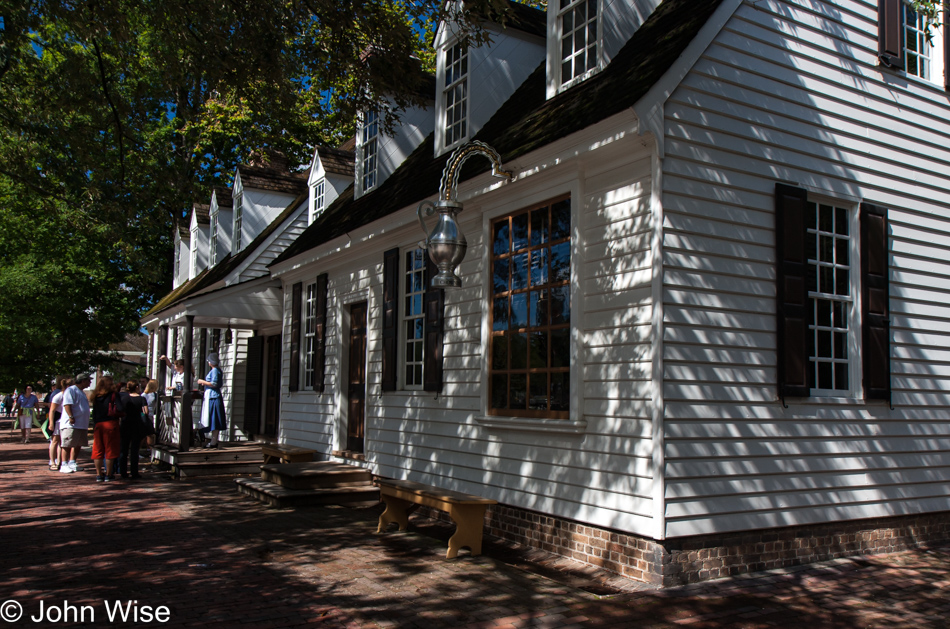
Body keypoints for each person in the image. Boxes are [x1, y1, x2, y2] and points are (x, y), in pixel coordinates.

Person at [89, 376, 122, 482]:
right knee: (110, 449)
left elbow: (94, 412)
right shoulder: (113, 394)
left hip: (99, 424)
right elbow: (120, 408)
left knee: (98, 449)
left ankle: (99, 474)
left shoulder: (95, 396)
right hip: (110, 423)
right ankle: (108, 474)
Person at [60, 373, 92, 474]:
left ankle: (72, 462)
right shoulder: (71, 390)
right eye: (88, 380)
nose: (90, 382)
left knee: (78, 444)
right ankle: (64, 464)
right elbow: (67, 404)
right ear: (82, 381)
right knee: (67, 444)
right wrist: (71, 416)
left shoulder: (81, 392)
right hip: (72, 424)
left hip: (81, 424)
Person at [117, 381, 148, 479]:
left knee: (124, 449)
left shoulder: (124, 398)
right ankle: (134, 472)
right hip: (136, 424)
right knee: (135, 449)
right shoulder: (141, 398)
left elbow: (119, 409)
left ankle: (123, 471)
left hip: (125, 423)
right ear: (137, 387)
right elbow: (145, 411)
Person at [196, 353, 226, 448]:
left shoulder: (215, 371)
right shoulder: (215, 371)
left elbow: (214, 383)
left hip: (213, 397)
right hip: (211, 396)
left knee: (214, 419)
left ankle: (214, 441)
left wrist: (202, 382)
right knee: (213, 419)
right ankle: (213, 440)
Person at [46, 378, 68, 470]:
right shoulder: (58, 396)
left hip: (64, 420)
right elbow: (52, 410)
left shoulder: (69, 396)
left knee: (62, 442)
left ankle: (59, 461)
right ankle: (52, 461)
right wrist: (51, 423)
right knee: (55, 441)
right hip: (57, 420)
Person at [142, 379, 160, 460]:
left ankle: (143, 450)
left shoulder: (143, 394)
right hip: (148, 415)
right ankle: (150, 450)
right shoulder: (154, 395)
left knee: (144, 434)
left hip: (143, 415)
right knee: (149, 434)